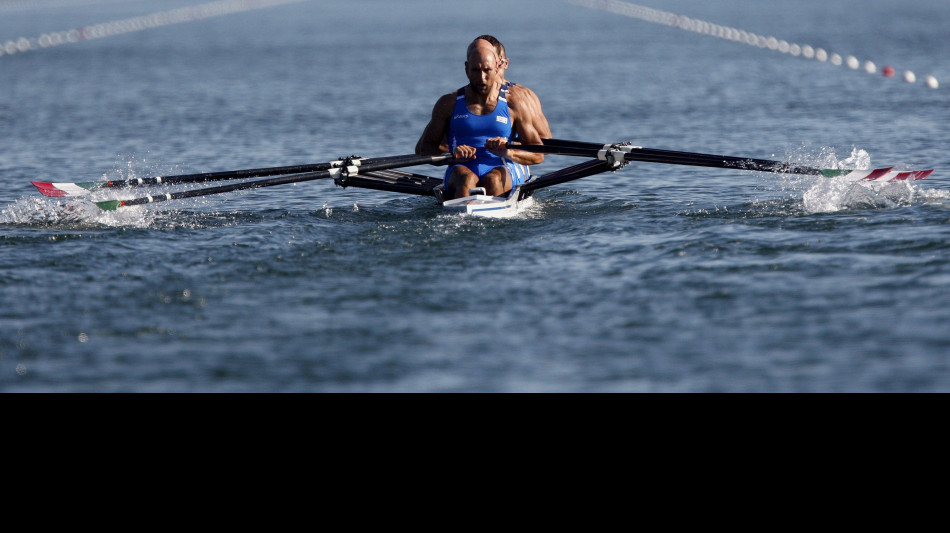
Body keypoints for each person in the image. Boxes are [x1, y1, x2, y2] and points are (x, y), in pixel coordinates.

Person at [415, 41, 549, 200]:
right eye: (476, 70)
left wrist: (507, 151)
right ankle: (463, 219)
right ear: (466, 69)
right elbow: (423, 149)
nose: (482, 78)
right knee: (466, 180)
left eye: (487, 70)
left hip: (502, 165)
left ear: (497, 68)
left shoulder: (515, 104)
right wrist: (452, 154)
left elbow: (538, 155)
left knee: (493, 180)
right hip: (461, 168)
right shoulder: (448, 103)